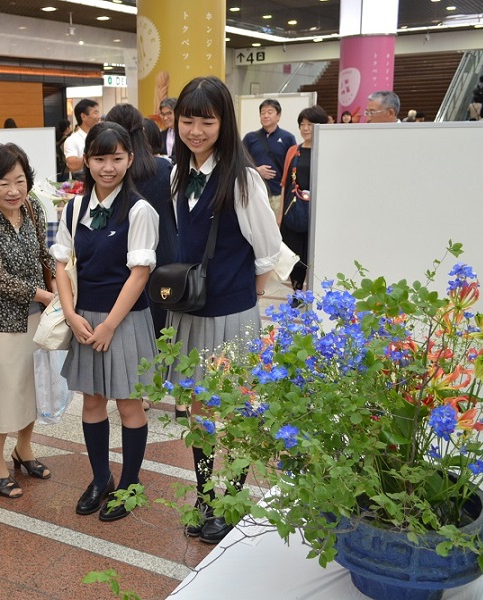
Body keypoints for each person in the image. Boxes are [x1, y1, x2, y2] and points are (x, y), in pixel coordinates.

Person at [169, 76, 281, 545]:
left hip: (232, 313)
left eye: (206, 121)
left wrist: (243, 299)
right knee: (198, 410)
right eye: (188, 120)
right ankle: (204, 496)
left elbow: (268, 252)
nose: (195, 130)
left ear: (225, 123)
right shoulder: (176, 174)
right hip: (190, 311)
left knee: (231, 410)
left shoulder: (242, 179)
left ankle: (230, 500)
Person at [52, 121, 158, 522]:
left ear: (130, 159)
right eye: (99, 158)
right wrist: (69, 313)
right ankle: (101, 478)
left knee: (130, 403)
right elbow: (61, 264)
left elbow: (140, 273)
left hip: (125, 319)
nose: (107, 167)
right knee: (93, 400)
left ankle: (130, 484)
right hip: (84, 316)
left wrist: (111, 324)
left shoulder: (140, 210)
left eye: (116, 158)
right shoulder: (75, 206)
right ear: (87, 161)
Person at [0, 143, 55, 499]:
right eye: (3, 183)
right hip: (0, 321)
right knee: (2, 391)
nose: (13, 190)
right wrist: (45, 295)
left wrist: (61, 279)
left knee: (30, 387)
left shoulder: (33, 208)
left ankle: (25, 449)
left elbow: (43, 254)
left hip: (36, 318)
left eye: (19, 181)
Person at [105, 103, 175, 338]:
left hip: (121, 265)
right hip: (164, 263)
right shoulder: (165, 169)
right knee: (163, 337)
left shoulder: (110, 176)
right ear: (142, 131)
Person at [279, 105, 328, 299]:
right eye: (302, 124)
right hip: (293, 211)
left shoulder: (326, 149)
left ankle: (317, 293)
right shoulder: (293, 150)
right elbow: (284, 183)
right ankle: (297, 293)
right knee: (294, 254)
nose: (305, 128)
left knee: (313, 254)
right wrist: (280, 215)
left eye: (310, 124)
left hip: (318, 212)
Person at [241, 99, 297, 217]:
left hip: (278, 195)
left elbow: (293, 165)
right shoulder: (250, 138)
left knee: (276, 230)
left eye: (270, 112)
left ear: (278, 116)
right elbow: (239, 160)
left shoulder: (288, 138)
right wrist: (256, 170)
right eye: (262, 112)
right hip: (254, 193)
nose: (265, 115)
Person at [64, 98, 101, 179]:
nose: (99, 117)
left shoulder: (101, 136)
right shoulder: (72, 140)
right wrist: (95, 154)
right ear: (83, 116)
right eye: (95, 113)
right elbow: (72, 165)